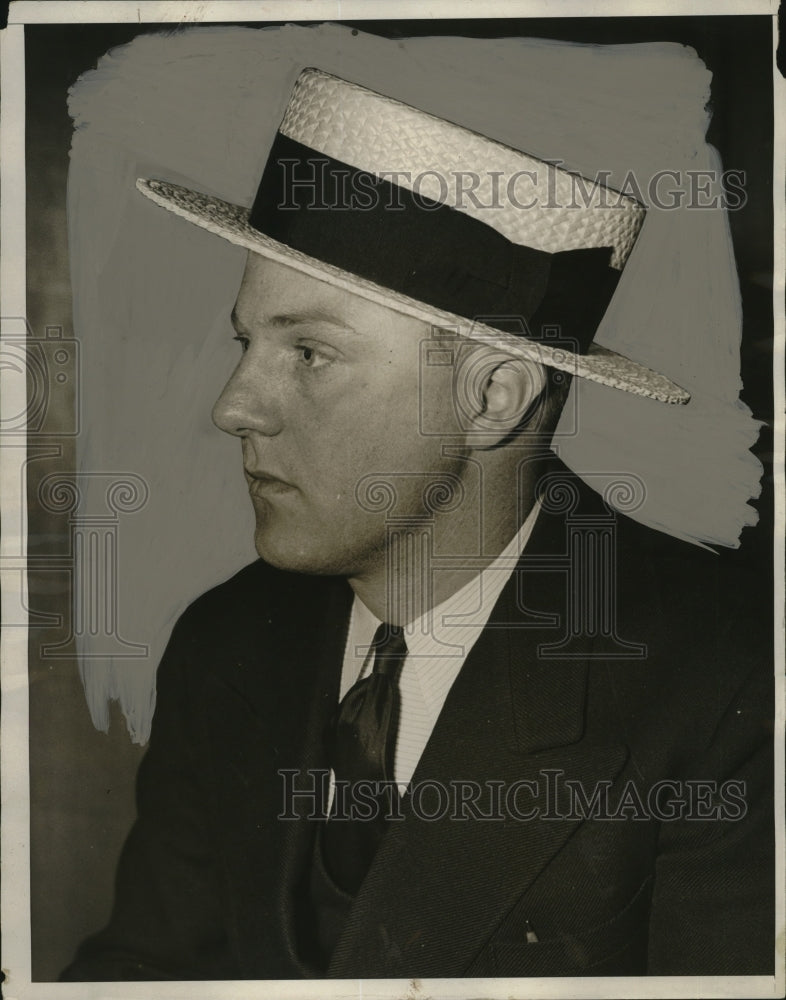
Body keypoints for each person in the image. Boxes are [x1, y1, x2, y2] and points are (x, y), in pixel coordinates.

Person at [61, 67, 773, 980]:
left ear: (492, 399)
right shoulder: (226, 643)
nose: (234, 407)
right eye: (250, 344)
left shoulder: (731, 682)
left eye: (310, 353)